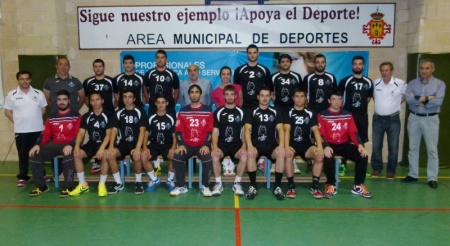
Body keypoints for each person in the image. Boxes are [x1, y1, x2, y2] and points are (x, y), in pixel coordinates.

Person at [318, 90, 372, 198]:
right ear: (329, 101)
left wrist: (360, 145)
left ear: (342, 101)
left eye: (339, 99)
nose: (337, 102)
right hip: (330, 144)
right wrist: (325, 146)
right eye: (334, 99)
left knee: (363, 155)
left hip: (343, 144)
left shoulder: (347, 115)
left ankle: (358, 185)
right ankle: (330, 184)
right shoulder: (322, 115)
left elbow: (353, 132)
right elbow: (320, 134)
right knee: (328, 156)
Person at [27, 90, 81, 197]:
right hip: (55, 144)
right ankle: (41, 186)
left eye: (64, 99)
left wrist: (71, 144)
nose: (62, 102)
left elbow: (78, 134)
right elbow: (46, 134)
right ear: (56, 101)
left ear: (69, 101)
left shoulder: (76, 116)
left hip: (69, 144)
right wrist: (37, 144)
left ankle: (68, 186)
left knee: (68, 154)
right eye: (59, 100)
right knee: (34, 155)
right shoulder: (52, 117)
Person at [403, 58, 446, 189]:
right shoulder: (412, 83)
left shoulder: (439, 84)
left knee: (432, 150)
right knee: (413, 148)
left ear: (432, 69)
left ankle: (432, 177)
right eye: (421, 68)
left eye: (427, 68)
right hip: (414, 118)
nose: (424, 71)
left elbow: (438, 101)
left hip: (430, 119)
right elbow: (409, 100)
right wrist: (429, 97)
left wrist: (419, 99)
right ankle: (413, 174)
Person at [4, 70, 48, 187]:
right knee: (23, 154)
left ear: (30, 80)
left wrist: (33, 120)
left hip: (37, 129)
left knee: (39, 153)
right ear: (18, 80)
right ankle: (23, 176)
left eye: (27, 79)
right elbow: (7, 112)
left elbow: (43, 110)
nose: (25, 81)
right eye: (22, 79)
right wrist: (18, 121)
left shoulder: (39, 93)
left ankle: (41, 174)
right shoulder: (11, 95)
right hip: (21, 131)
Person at [170, 85, 214, 197]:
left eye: (197, 92)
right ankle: (181, 186)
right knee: (176, 157)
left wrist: (206, 145)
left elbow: (209, 130)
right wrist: (180, 144)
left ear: (201, 94)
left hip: (202, 145)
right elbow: (179, 130)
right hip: (187, 145)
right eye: (192, 92)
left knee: (208, 159)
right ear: (189, 95)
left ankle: (205, 185)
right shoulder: (183, 111)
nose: (194, 94)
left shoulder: (208, 111)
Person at [69, 92, 114, 197]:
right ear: (89, 102)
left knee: (104, 155)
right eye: (92, 100)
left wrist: (102, 149)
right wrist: (76, 147)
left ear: (102, 101)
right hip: (92, 144)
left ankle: (102, 184)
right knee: (77, 154)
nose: (95, 102)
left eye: (97, 99)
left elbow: (109, 134)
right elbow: (81, 133)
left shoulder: (109, 115)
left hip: (105, 144)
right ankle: (83, 184)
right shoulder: (86, 116)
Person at [103, 89, 147, 196]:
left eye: (130, 97)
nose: (127, 99)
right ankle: (118, 183)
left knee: (137, 156)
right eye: (125, 97)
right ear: (122, 99)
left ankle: (138, 182)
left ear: (134, 99)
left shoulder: (140, 111)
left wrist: (138, 148)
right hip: (123, 143)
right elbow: (114, 130)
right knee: (110, 155)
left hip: (136, 142)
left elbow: (142, 131)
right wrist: (111, 146)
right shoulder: (118, 112)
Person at [244, 87, 285, 200]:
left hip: (271, 144)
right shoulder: (251, 111)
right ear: (258, 97)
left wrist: (281, 145)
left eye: (267, 96)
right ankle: (253, 186)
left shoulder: (275, 111)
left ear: (271, 97)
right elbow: (247, 129)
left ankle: (277, 187)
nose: (265, 98)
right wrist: (250, 145)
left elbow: (280, 129)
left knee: (281, 154)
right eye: (262, 95)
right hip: (256, 144)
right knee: (251, 154)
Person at [283, 88, 325, 199]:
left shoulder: (311, 112)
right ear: (293, 98)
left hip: (306, 145)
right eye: (297, 96)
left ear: (305, 98)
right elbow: (286, 129)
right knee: (288, 156)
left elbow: (316, 130)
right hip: (292, 144)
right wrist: (286, 147)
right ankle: (291, 187)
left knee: (319, 156)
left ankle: (315, 187)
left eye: (302, 96)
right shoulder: (288, 112)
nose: (299, 99)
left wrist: (320, 147)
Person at [337, 56, 373, 177]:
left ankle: (362, 165)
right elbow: (338, 98)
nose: (357, 66)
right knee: (345, 141)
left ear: (363, 66)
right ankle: (343, 165)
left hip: (362, 116)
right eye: (355, 64)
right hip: (347, 116)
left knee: (361, 141)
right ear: (352, 66)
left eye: (360, 64)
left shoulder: (368, 82)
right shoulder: (345, 81)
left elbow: (368, 98)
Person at [302, 54, 337, 174]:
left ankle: (327, 161)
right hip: (312, 111)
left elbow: (334, 96)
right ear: (314, 64)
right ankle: (311, 162)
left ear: (325, 63)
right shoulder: (308, 78)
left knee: (326, 135)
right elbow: (304, 95)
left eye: (322, 62)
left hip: (326, 113)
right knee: (312, 137)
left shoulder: (331, 78)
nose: (320, 64)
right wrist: (307, 110)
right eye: (318, 62)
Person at [371, 62, 406, 179]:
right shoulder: (375, 83)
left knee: (393, 146)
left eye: (387, 70)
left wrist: (396, 103)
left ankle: (391, 171)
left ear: (392, 71)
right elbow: (372, 96)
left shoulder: (400, 83)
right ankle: (377, 169)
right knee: (376, 145)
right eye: (382, 70)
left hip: (393, 119)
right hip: (377, 119)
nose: (384, 73)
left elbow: (407, 95)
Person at [211, 85, 247, 196]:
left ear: (236, 96)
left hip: (237, 145)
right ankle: (218, 184)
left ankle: (237, 183)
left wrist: (243, 146)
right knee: (214, 155)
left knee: (244, 155)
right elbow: (215, 132)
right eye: (227, 94)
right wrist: (215, 146)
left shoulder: (241, 112)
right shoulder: (218, 112)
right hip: (222, 144)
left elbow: (245, 131)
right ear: (224, 96)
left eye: (232, 94)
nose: (230, 97)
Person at [269, 53, 303, 174]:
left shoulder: (297, 77)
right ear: (280, 63)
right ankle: (276, 161)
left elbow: (301, 93)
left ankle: (291, 159)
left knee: (292, 132)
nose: (285, 63)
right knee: (278, 132)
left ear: (290, 63)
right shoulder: (274, 77)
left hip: (292, 109)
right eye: (282, 61)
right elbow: (271, 93)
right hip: (278, 108)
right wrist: (275, 102)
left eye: (287, 61)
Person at [83, 59, 115, 174]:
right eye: (95, 66)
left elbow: (116, 97)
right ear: (93, 68)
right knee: (95, 137)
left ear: (104, 67)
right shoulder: (88, 81)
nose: (98, 68)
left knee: (110, 137)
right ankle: (97, 160)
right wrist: (93, 107)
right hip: (94, 114)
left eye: (100, 66)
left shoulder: (111, 81)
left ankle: (111, 160)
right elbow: (86, 99)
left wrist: (111, 110)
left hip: (109, 114)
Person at [141, 95, 177, 192]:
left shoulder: (172, 117)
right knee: (143, 156)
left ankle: (170, 180)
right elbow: (146, 133)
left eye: (163, 102)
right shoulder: (150, 117)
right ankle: (154, 179)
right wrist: (144, 147)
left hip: (167, 144)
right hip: (154, 144)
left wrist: (173, 147)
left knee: (175, 156)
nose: (161, 105)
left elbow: (175, 135)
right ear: (155, 104)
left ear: (167, 103)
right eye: (159, 102)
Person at [211, 66, 243, 174]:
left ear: (230, 75)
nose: (225, 76)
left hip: (236, 119)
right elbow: (217, 106)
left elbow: (241, 103)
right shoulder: (215, 92)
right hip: (223, 121)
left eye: (228, 74)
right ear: (220, 75)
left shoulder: (238, 88)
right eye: (223, 74)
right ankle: (225, 164)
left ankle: (232, 164)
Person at [234, 44, 271, 109]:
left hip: (260, 106)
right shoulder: (239, 70)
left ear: (258, 54)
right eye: (250, 53)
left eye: (254, 52)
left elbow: (268, 89)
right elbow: (236, 90)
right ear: (247, 54)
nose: (252, 55)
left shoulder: (265, 70)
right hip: (244, 106)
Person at [144, 49, 180, 115]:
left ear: (166, 59)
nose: (160, 60)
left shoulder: (172, 74)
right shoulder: (149, 73)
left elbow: (176, 91)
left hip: (169, 108)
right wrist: (149, 101)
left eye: (162, 57)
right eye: (158, 58)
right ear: (155, 59)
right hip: (153, 108)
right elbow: (145, 87)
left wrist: (172, 104)